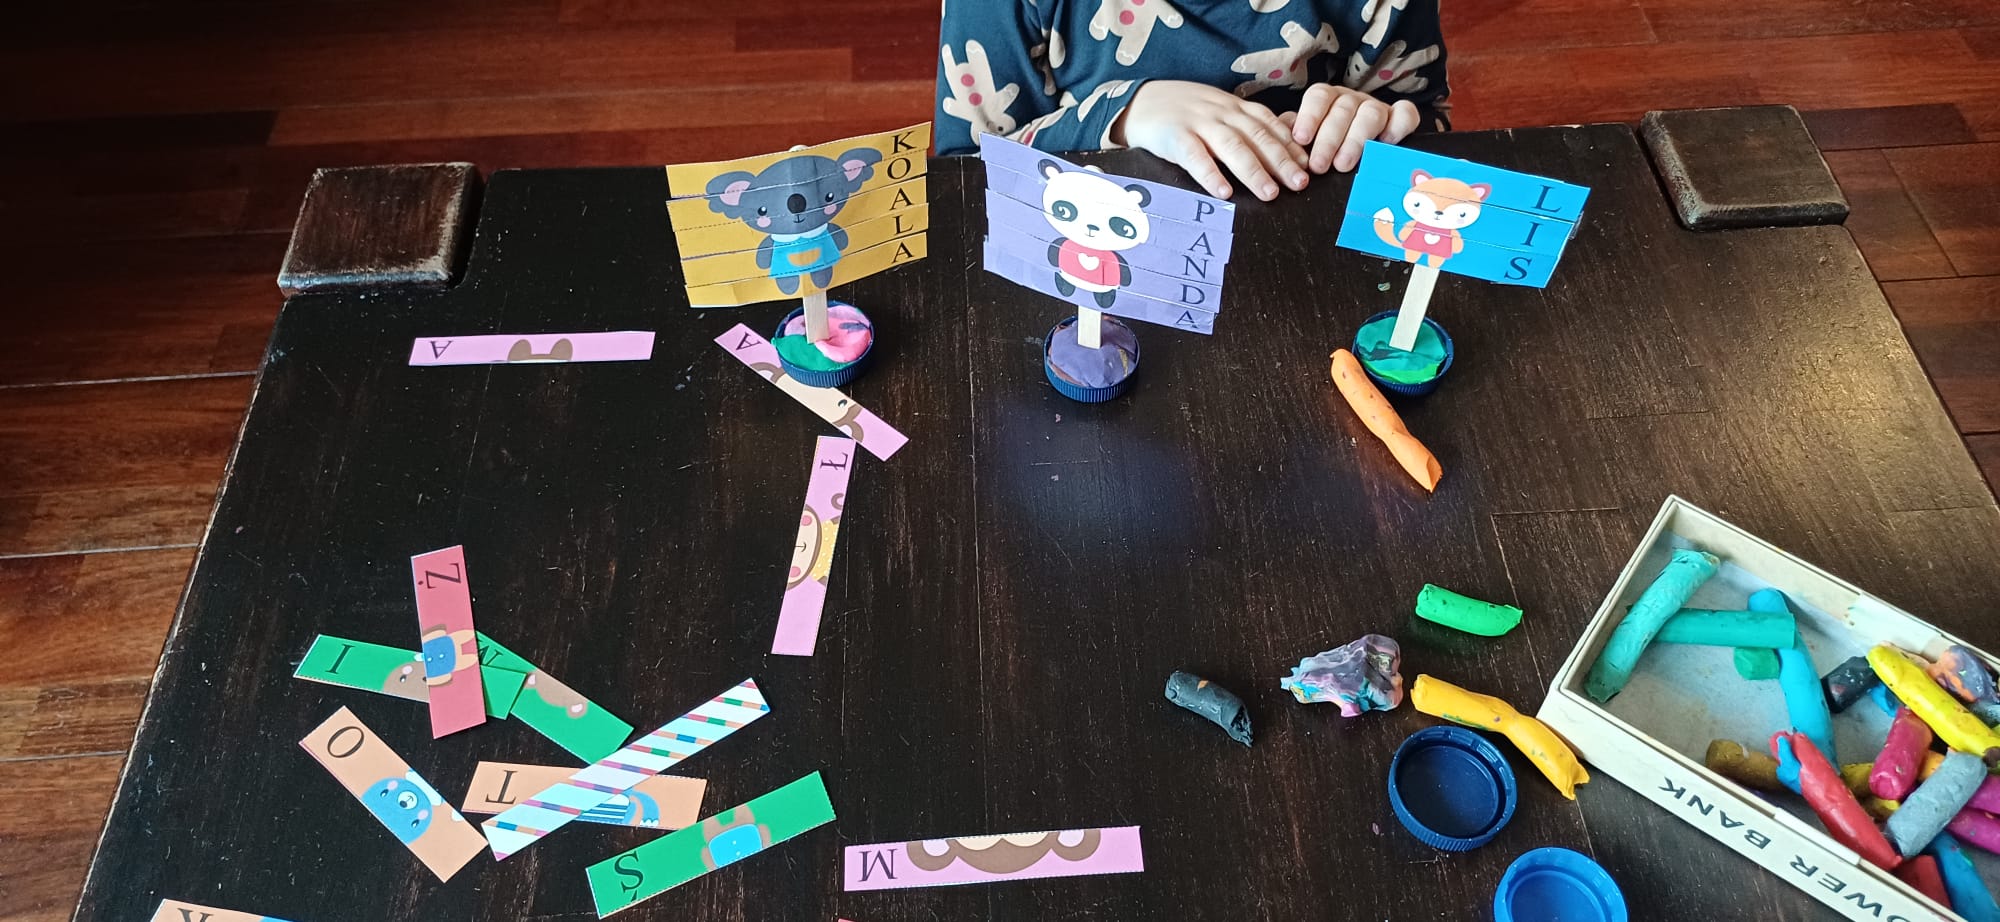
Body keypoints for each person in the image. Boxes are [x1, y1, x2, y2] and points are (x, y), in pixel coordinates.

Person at [935, 0, 1449, 202]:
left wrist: (1373, 122)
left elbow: (1426, 126)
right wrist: (1121, 116)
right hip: (1084, 256)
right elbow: (965, 175)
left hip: (1297, 254)